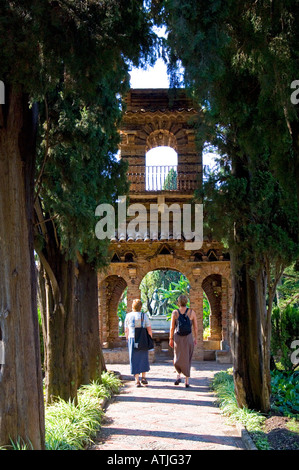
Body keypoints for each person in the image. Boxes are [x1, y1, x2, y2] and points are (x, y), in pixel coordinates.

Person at [169, 294, 198, 387]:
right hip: (188, 337)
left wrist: (170, 339)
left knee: (177, 356)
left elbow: (172, 328)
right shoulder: (192, 312)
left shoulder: (175, 313)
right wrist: (195, 338)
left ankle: (178, 376)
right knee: (187, 357)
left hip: (177, 337)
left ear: (179, 302)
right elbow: (196, 327)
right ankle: (187, 381)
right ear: (186, 302)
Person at [125, 299, 153, 387]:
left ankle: (137, 380)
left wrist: (127, 338)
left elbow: (126, 330)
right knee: (143, 358)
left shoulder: (128, 316)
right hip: (142, 340)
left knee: (134, 359)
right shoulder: (144, 316)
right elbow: (149, 329)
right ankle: (144, 377)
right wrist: (149, 338)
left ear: (133, 306)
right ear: (141, 307)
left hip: (132, 339)